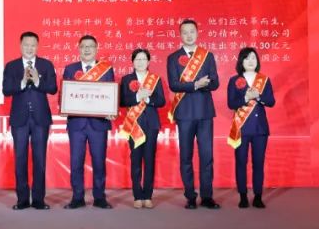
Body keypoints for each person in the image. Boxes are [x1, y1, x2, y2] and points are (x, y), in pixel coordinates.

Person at [167, 19, 220, 209]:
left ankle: (207, 197)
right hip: (185, 113)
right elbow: (174, 84)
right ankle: (190, 196)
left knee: (207, 156)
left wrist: (205, 84)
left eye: (192, 31)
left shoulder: (207, 56)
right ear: (180, 35)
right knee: (186, 156)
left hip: (205, 112)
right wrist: (196, 84)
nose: (189, 35)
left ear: (197, 33)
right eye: (185, 32)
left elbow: (215, 83)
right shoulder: (173, 58)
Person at [2, 31, 58, 210]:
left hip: (40, 118)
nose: (29, 48)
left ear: (37, 46)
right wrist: (22, 82)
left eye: (33, 45)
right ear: (20, 46)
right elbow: (6, 90)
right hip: (20, 119)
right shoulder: (11, 66)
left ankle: (39, 199)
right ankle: (22, 199)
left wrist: (37, 81)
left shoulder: (46, 65)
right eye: (26, 44)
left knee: (40, 159)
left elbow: (53, 88)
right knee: (20, 159)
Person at [61, 35, 115, 209]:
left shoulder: (106, 69)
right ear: (78, 48)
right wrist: (64, 106)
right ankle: (77, 197)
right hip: (76, 124)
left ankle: (99, 197)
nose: (87, 49)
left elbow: (110, 93)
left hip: (99, 124)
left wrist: (111, 110)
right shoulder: (70, 69)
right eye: (83, 46)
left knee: (99, 162)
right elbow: (64, 92)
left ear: (96, 48)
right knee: (76, 162)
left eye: (90, 46)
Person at [227, 47, 275, 209]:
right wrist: (246, 97)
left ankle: (258, 196)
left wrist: (258, 97)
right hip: (241, 128)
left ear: (257, 61)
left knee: (258, 163)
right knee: (241, 162)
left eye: (253, 58)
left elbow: (271, 101)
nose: (250, 61)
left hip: (260, 129)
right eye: (247, 58)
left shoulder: (264, 80)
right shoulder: (234, 80)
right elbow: (231, 103)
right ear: (241, 61)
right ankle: (243, 196)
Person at [119, 48, 166, 208]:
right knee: (136, 160)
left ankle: (148, 195)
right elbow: (123, 101)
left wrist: (148, 98)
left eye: (143, 59)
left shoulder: (155, 79)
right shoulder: (126, 79)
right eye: (137, 59)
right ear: (132, 62)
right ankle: (137, 195)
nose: (140, 62)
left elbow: (161, 101)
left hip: (151, 124)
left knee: (149, 159)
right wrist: (137, 97)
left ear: (148, 62)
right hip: (134, 124)